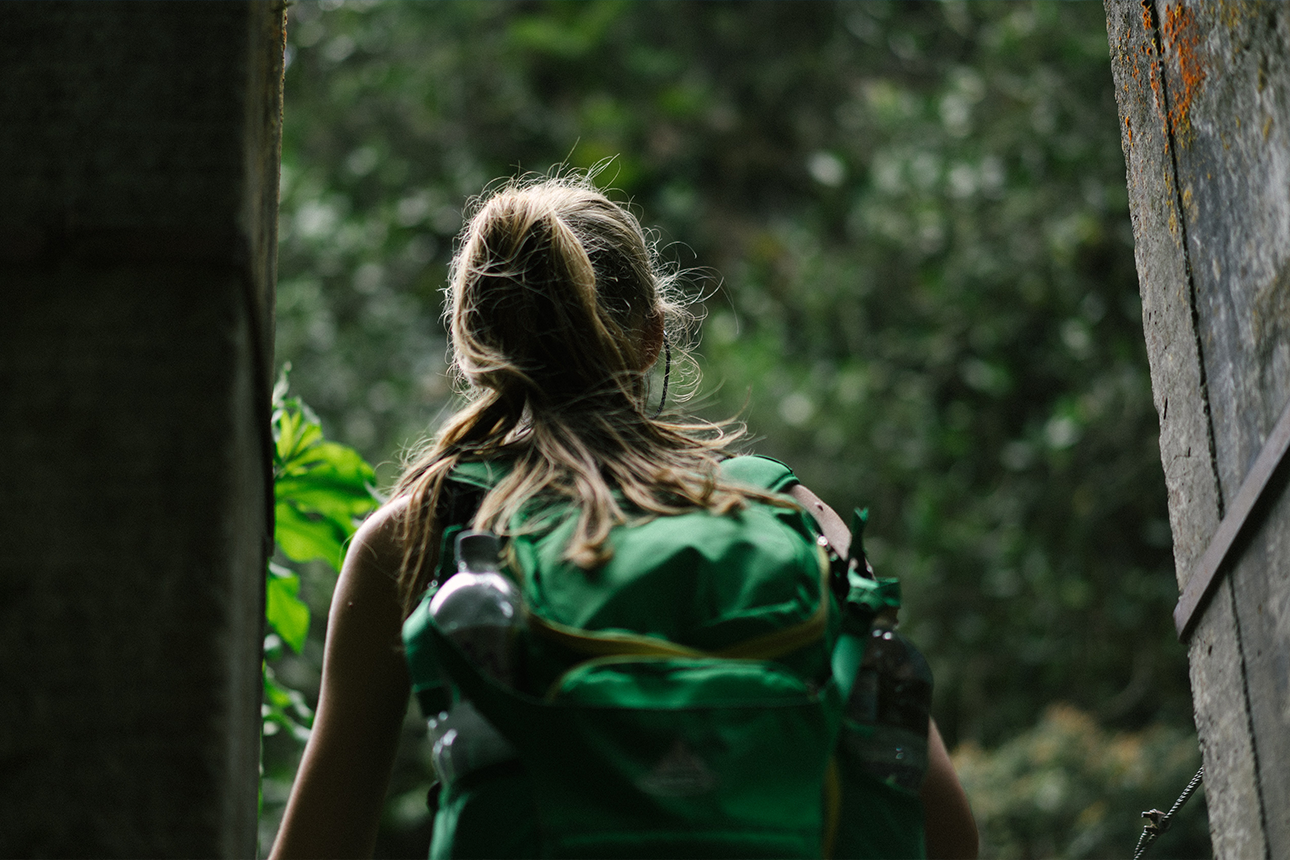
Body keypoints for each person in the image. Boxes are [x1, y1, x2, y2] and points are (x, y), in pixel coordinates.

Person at [270, 172, 978, 859]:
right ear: (652, 337)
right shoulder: (785, 508)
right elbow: (945, 828)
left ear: (472, 347)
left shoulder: (422, 528)